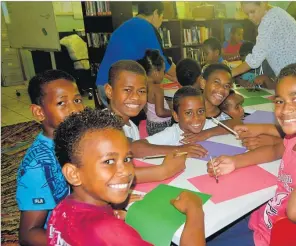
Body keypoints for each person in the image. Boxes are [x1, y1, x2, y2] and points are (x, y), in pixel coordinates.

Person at [207, 63, 296, 246]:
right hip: (262, 220)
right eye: (279, 101)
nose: (284, 109)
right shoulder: (295, 138)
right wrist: (236, 161)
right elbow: (276, 150)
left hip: (272, 239)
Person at [48, 109, 206, 246]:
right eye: (109, 161)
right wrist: (195, 210)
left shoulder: (62, 208)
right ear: (73, 174)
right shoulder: (110, 232)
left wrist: (110, 213)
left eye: (127, 159)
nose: (126, 171)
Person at [16, 70, 85, 245]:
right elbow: (28, 234)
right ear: (39, 112)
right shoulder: (37, 167)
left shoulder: (75, 140)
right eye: (62, 103)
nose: (75, 110)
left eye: (77, 100)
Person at [104, 60, 187, 181]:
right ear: (109, 91)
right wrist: (163, 171)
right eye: (127, 90)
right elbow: (111, 174)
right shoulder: (103, 129)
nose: (136, 97)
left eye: (141, 91)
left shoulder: (131, 126)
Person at [96, 2, 176, 107]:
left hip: (103, 85)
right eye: (162, 17)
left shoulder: (125, 25)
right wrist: (182, 78)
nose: (161, 22)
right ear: (156, 13)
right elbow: (162, 63)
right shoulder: (146, 28)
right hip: (120, 89)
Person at [231, 2, 296, 80]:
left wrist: (229, 74)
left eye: (252, 11)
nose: (250, 17)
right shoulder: (277, 12)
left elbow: (254, 60)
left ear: (263, 3)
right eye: (247, 14)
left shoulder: (269, 21)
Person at [180, 63, 243, 144]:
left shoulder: (224, 117)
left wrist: (206, 133)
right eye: (216, 82)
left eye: (226, 86)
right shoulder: (186, 111)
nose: (221, 89)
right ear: (203, 83)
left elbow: (236, 123)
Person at [146, 86, 216, 147]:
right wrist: (179, 149)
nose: (196, 118)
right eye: (188, 113)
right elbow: (136, 147)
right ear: (176, 116)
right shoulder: (172, 134)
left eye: (200, 111)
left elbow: (227, 123)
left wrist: (206, 133)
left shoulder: (207, 125)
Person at [138, 49, 172, 135]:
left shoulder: (142, 86)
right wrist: (174, 112)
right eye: (163, 71)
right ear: (156, 72)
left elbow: (145, 107)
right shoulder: (157, 88)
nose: (164, 75)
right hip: (162, 127)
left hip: (150, 125)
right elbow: (160, 112)